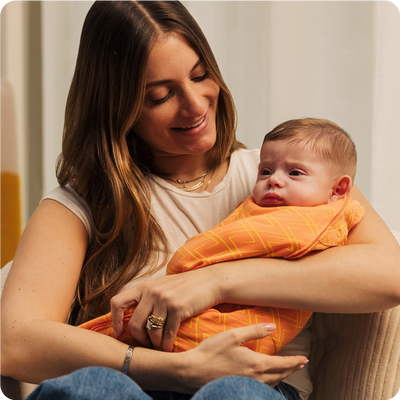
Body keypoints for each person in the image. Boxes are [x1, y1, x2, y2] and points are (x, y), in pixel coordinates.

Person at [0, 1, 399, 400]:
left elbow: (389, 272)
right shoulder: (81, 205)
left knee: (233, 394)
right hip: (138, 387)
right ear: (117, 108)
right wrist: (177, 369)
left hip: (255, 387)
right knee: (91, 387)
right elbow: (14, 342)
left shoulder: (280, 177)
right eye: (159, 96)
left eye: (200, 75)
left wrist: (212, 281)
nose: (195, 105)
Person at [80, 118, 364, 358]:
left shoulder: (323, 219)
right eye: (265, 171)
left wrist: (203, 274)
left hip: (251, 357)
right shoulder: (257, 206)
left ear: (338, 189)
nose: (274, 180)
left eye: (295, 173)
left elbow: (388, 274)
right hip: (157, 365)